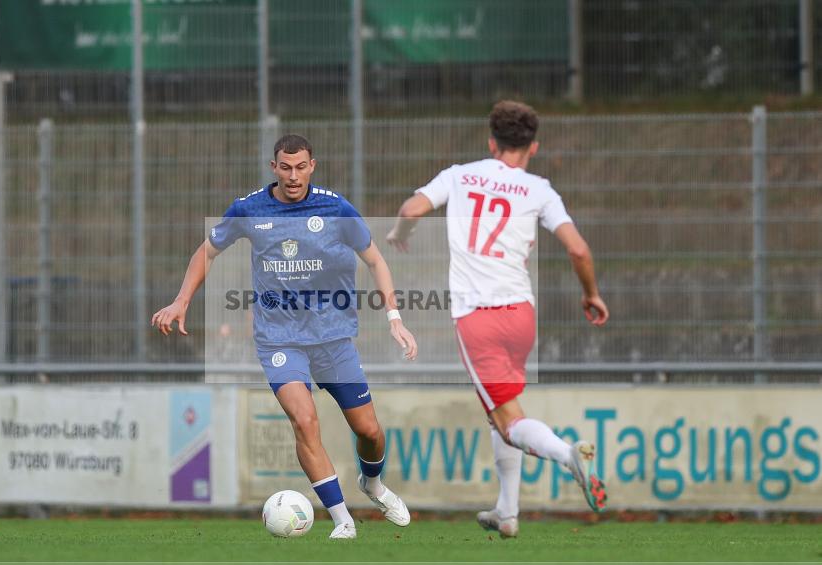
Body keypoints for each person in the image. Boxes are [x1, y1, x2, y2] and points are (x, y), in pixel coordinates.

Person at [153, 134, 417, 539]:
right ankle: (343, 519)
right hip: (280, 340)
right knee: (304, 419)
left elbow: (376, 260)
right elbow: (206, 252)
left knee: (368, 431)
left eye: (301, 167)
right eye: (285, 167)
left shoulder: (336, 207)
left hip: (333, 338)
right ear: (274, 167)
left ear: (313, 166)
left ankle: (373, 484)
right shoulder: (249, 208)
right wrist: (181, 300)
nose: (293, 176)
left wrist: (395, 317)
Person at [387, 100, 609, 538]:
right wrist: (591, 294)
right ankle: (507, 513)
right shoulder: (540, 189)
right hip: (521, 317)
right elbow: (578, 249)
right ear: (534, 148)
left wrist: (399, 233)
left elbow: (411, 210)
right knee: (499, 413)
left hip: (478, 319)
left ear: (491, 143)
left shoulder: (459, 175)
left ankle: (568, 456)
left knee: (509, 422)